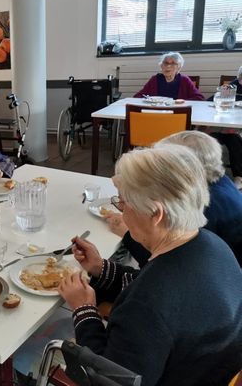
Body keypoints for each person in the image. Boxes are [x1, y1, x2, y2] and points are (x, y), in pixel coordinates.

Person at [59, 145, 242, 385]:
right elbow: (152, 283)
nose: (121, 212)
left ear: (155, 213)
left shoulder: (146, 308)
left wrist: (84, 309)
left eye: (123, 203)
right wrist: (102, 268)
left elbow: (108, 378)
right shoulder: (213, 245)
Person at [105, 130, 242, 267]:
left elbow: (165, 262)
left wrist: (128, 234)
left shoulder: (206, 205)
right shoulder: (221, 181)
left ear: (186, 170)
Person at [133, 52, 204, 100]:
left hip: (177, 114)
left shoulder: (184, 80)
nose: (168, 66)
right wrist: (149, 101)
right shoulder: (155, 79)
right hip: (156, 112)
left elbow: (199, 98)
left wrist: (180, 103)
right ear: (161, 66)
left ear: (179, 67)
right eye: (165, 63)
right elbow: (138, 96)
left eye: (173, 63)